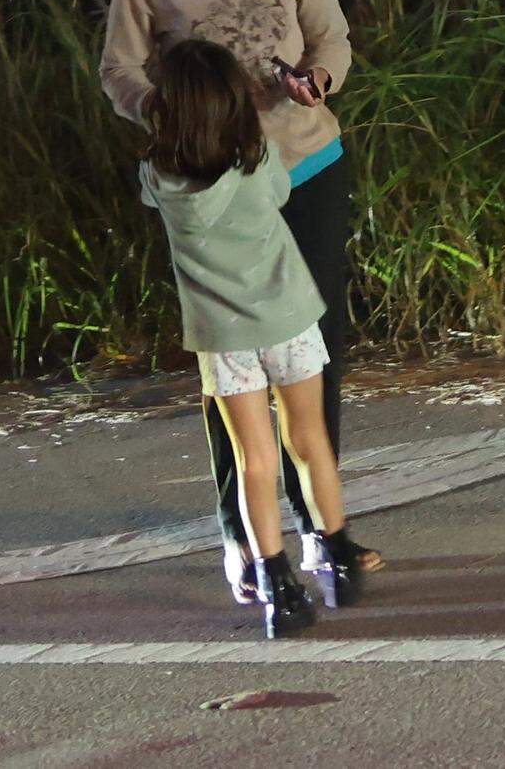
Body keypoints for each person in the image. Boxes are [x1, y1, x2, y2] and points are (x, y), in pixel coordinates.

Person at [100, 0, 381, 601]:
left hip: (307, 161)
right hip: (216, 180)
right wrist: (181, 117)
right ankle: (244, 541)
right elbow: (120, 69)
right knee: (232, 364)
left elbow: (333, 38)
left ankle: (324, 529)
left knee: (315, 340)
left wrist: (315, 80)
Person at [141, 37, 364, 636]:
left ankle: (276, 586)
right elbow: (283, 195)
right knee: (310, 441)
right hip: (289, 318)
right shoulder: (259, 158)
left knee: (254, 462)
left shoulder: (159, 177)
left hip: (225, 338)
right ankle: (338, 559)